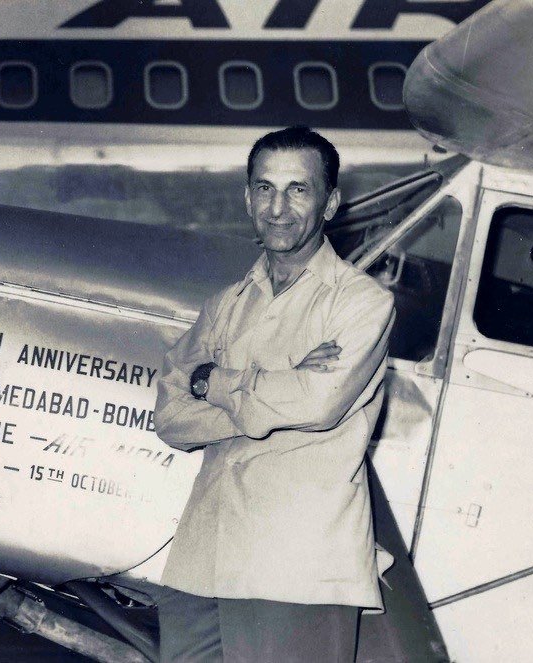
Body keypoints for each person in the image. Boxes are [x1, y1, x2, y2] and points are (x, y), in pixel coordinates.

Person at [152, 126, 395, 662]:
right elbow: (169, 416)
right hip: (200, 561)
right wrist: (270, 395)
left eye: (298, 189)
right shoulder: (225, 304)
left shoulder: (361, 303)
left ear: (330, 203)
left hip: (295, 568)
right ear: (247, 198)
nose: (278, 208)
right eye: (264, 188)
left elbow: (316, 405)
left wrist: (212, 383)